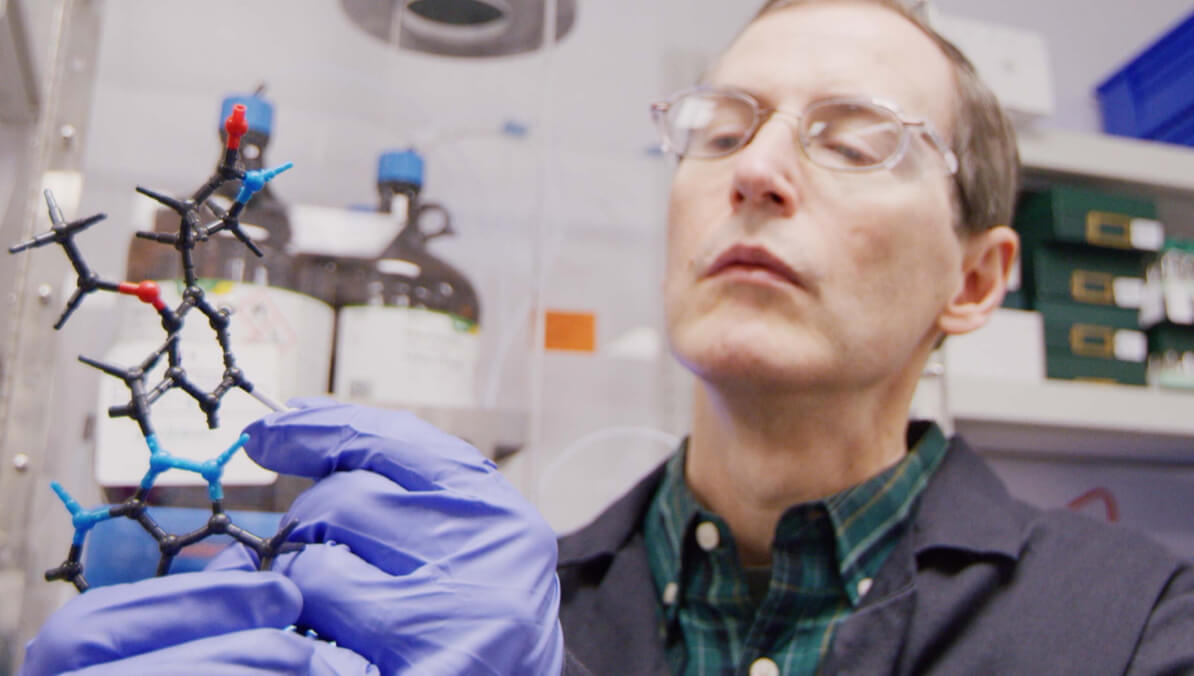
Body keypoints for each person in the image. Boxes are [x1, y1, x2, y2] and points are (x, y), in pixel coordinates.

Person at [19, 0, 1194, 674]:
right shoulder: (495, 613)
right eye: (720, 127)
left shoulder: (1141, 623)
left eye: (851, 137)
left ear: (977, 279)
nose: (759, 171)